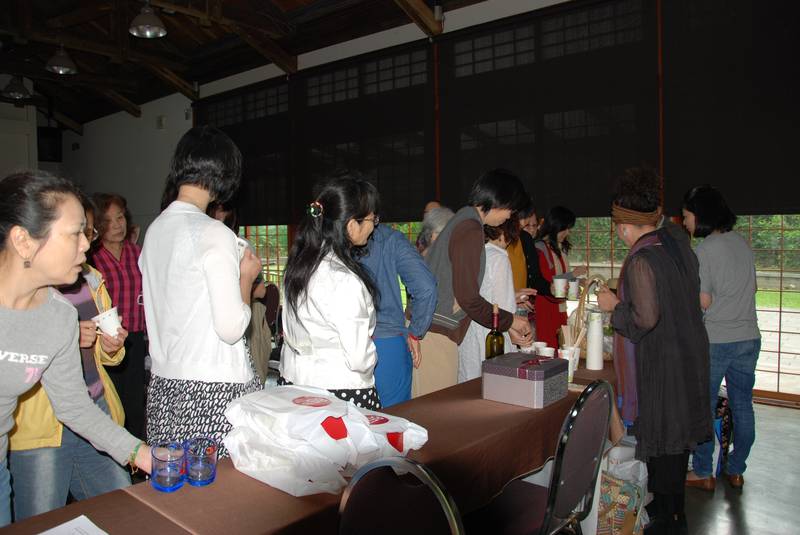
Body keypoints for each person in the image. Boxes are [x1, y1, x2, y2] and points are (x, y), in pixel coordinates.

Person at [0, 171, 151, 527]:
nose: (86, 245)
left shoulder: (58, 315)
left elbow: (74, 406)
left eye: (87, 233)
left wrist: (143, 453)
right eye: (74, 234)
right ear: (23, 240)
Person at [597, 168, 711, 535]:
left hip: (663, 370)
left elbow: (644, 318)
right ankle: (672, 515)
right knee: (674, 455)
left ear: (623, 227)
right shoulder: (675, 243)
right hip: (687, 359)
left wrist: (613, 305)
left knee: (664, 455)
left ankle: (667, 522)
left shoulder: (642, 259)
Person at [140, 126, 263, 457]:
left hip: (164, 386)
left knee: (176, 485)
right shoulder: (214, 233)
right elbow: (230, 328)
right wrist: (246, 278)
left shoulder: (155, 230)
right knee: (221, 488)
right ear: (225, 175)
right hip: (213, 389)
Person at [416, 169, 532, 397]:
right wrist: (510, 321)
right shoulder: (470, 228)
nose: (509, 217)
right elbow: (468, 297)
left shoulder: (464, 220)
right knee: (436, 407)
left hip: (432, 328)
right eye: (511, 210)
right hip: (436, 331)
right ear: (500, 201)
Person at [682, 185, 761, 491]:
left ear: (700, 215)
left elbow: (704, 301)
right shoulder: (742, 242)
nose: (685, 222)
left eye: (687, 216)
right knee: (743, 406)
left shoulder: (705, 250)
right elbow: (753, 289)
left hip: (717, 340)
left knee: (703, 406)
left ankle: (703, 471)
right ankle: (736, 469)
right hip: (749, 337)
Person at [280, 175, 382, 409]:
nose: (373, 226)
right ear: (351, 225)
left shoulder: (299, 265)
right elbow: (358, 358)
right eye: (371, 219)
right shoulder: (344, 279)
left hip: (295, 380)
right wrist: (372, 357)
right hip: (340, 388)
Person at [359, 221, 437, 407]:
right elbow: (426, 287)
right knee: (393, 418)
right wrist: (415, 331)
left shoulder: (328, 238)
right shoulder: (389, 238)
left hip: (338, 345)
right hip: (387, 343)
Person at [91, 193, 146, 437]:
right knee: (111, 404)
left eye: (120, 217)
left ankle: (135, 455)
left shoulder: (137, 253)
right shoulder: (92, 258)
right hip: (104, 341)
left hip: (134, 337)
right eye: (108, 220)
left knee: (134, 404)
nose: (117, 225)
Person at [458, 217, 519, 382]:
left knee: (470, 382)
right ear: (505, 232)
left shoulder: (476, 253)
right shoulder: (499, 258)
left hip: (470, 330)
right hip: (492, 333)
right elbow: (504, 307)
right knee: (496, 384)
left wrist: (515, 295)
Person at [532, 206, 587, 348]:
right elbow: (547, 283)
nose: (567, 232)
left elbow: (560, 277)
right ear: (554, 226)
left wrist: (578, 281)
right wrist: (573, 274)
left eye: (569, 229)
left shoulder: (559, 248)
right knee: (548, 346)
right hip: (546, 307)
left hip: (559, 306)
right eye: (565, 228)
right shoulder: (540, 248)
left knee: (562, 345)